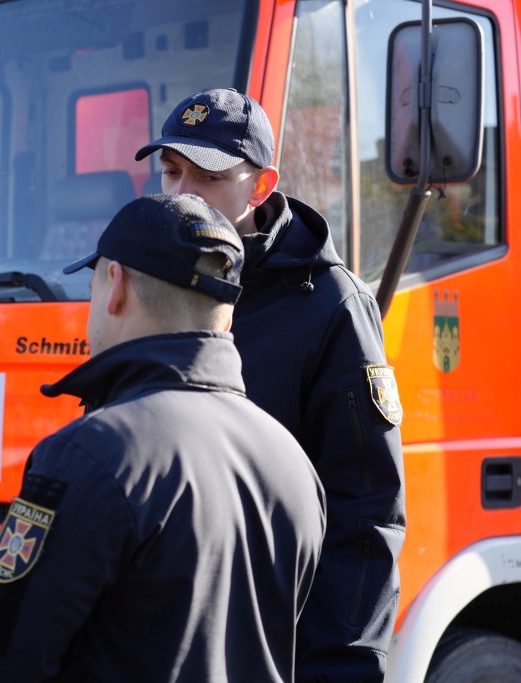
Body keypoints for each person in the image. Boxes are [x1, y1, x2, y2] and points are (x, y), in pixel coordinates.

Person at [0, 193, 326, 682]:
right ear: (225, 317)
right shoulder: (291, 461)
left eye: (93, 282)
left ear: (114, 285)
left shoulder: (92, 454)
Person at [135, 88, 406, 682]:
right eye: (171, 172)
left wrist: (339, 669)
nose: (180, 195)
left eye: (207, 176)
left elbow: (366, 514)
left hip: (269, 648)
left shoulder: (333, 306)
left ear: (260, 186)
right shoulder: (152, 281)